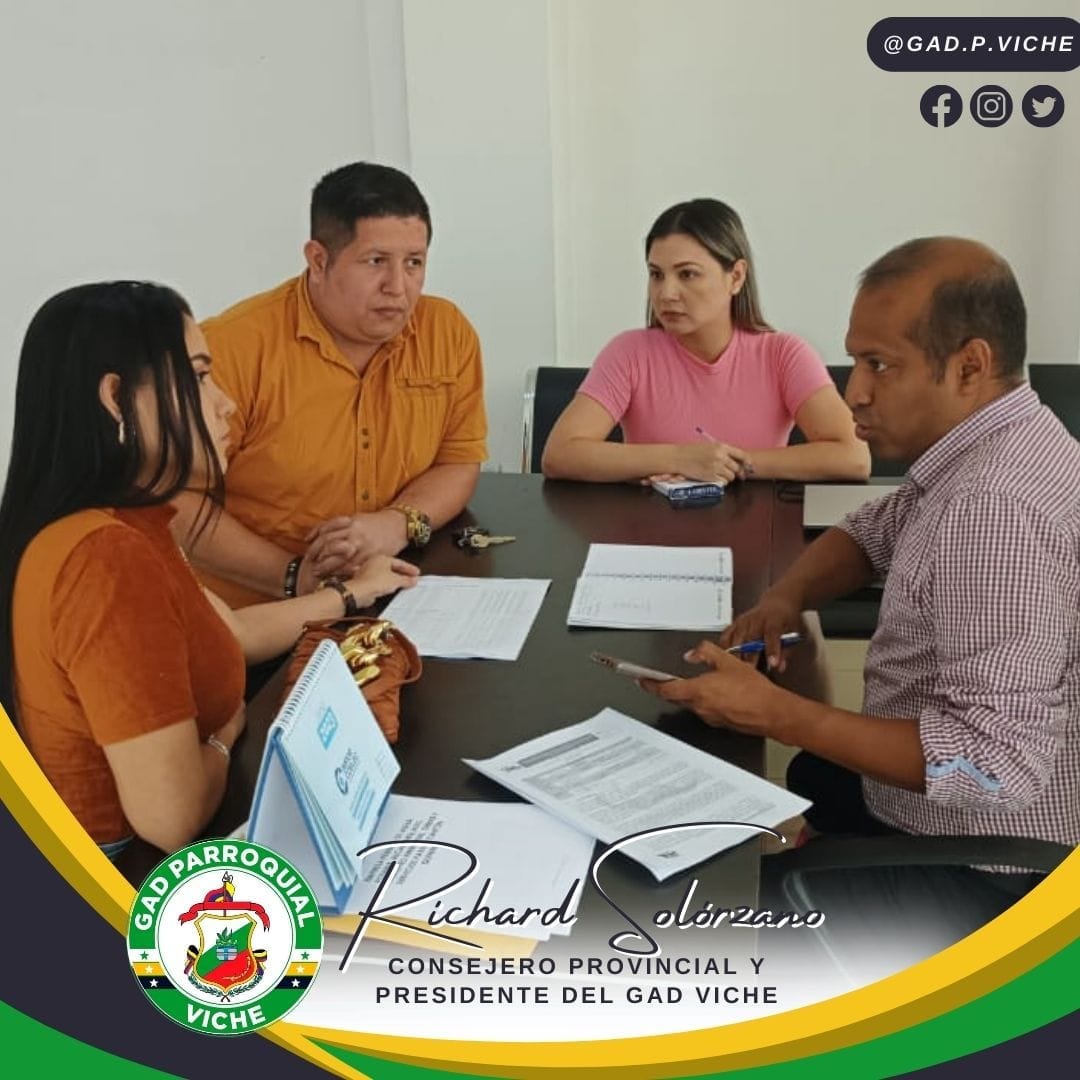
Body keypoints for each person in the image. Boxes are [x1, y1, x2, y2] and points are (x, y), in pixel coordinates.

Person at [642, 237, 1079, 977]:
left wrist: (777, 714)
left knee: (720, 914)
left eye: (881, 365)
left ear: (969, 366)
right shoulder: (999, 442)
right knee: (807, 779)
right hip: (936, 808)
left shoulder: (995, 509)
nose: (855, 393)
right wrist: (786, 596)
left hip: (992, 871)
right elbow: (874, 530)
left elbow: (997, 765)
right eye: (856, 362)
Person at [0, 283, 417, 858]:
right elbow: (170, 817)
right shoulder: (106, 559)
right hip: (121, 878)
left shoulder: (119, 522)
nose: (226, 405)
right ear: (116, 399)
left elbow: (229, 630)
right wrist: (224, 734)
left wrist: (353, 592)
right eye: (198, 377)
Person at [179, 161, 488, 608]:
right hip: (255, 611)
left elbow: (457, 461)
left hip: (394, 589)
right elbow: (177, 501)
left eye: (414, 263)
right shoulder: (230, 348)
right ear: (319, 260)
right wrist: (293, 576)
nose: (398, 287)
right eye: (376, 261)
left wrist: (396, 524)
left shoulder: (446, 332)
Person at [541, 198, 869, 485]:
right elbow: (560, 454)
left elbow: (853, 457)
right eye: (656, 275)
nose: (666, 293)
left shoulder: (784, 354)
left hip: (756, 528)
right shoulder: (629, 353)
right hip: (651, 528)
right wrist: (679, 458)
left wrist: (725, 464)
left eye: (687, 274)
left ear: (736, 277)